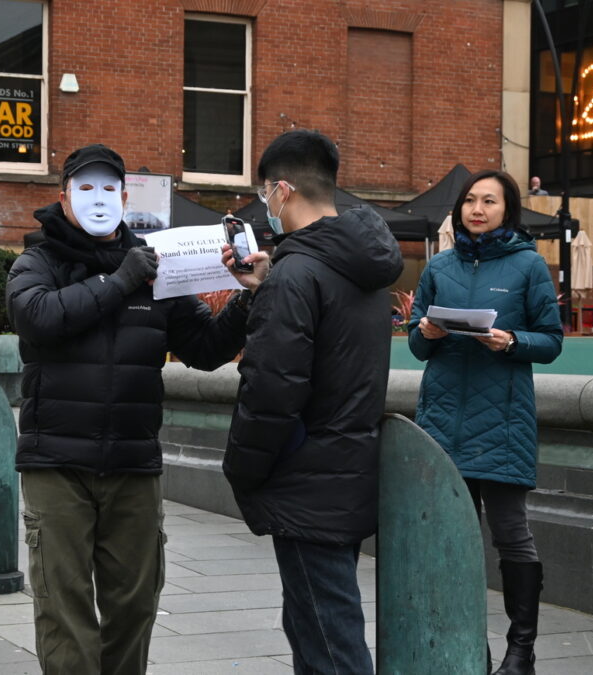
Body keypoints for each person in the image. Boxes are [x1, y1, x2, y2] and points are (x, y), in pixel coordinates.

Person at [6, 143, 268, 674]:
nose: (98, 198)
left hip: (133, 465)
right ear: (64, 197)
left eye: (108, 188)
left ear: (125, 197)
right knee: (64, 605)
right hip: (57, 463)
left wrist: (247, 296)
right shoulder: (39, 260)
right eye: (85, 188)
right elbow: (38, 318)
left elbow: (204, 349)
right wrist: (119, 280)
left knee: (135, 605)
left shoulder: (157, 264)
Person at [221, 130, 404, 674]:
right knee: (318, 625)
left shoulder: (297, 274)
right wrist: (263, 286)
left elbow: (272, 390)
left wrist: (242, 469)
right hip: (346, 470)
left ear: (282, 191)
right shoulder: (360, 268)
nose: (264, 210)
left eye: (263, 198)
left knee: (327, 639)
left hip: (305, 482)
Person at [408, 169, 563, 675]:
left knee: (510, 534)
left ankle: (522, 652)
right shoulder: (439, 266)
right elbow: (415, 345)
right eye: (471, 201)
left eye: (489, 201)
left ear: (507, 209)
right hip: (442, 419)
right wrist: (428, 330)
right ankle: (467, 645)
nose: (478, 209)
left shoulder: (528, 266)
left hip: (502, 420)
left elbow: (552, 341)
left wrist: (511, 341)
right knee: (450, 535)